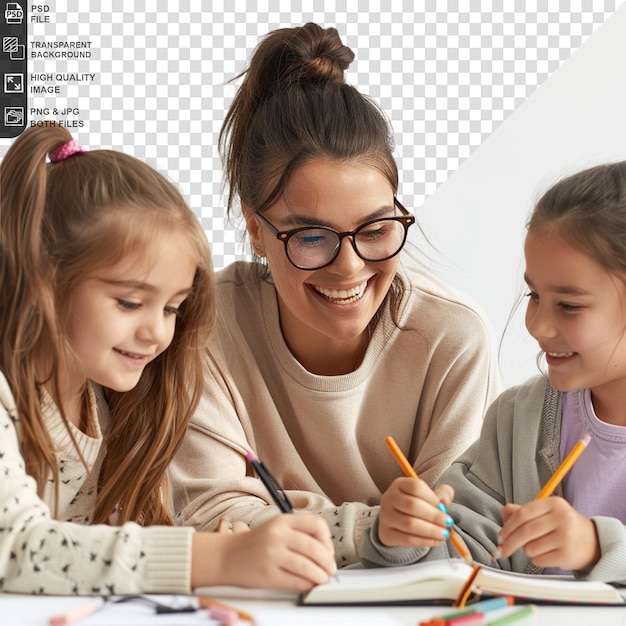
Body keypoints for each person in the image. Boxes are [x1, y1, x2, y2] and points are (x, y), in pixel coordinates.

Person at [170, 22, 500, 567]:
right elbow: (210, 512)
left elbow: (457, 532)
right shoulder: (204, 323)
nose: (349, 267)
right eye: (312, 236)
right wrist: (373, 530)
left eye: (375, 230)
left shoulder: (452, 338)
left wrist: (274, 529)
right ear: (256, 228)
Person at [0, 123, 336, 596]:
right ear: (43, 279)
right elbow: (17, 551)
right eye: (130, 303)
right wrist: (210, 559)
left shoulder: (110, 400)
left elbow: (103, 551)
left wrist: (210, 547)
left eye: (173, 307)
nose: (158, 332)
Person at [367, 161, 626, 582]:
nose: (537, 324)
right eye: (534, 294)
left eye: (570, 305)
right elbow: (467, 553)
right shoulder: (517, 420)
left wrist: (600, 547)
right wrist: (408, 534)